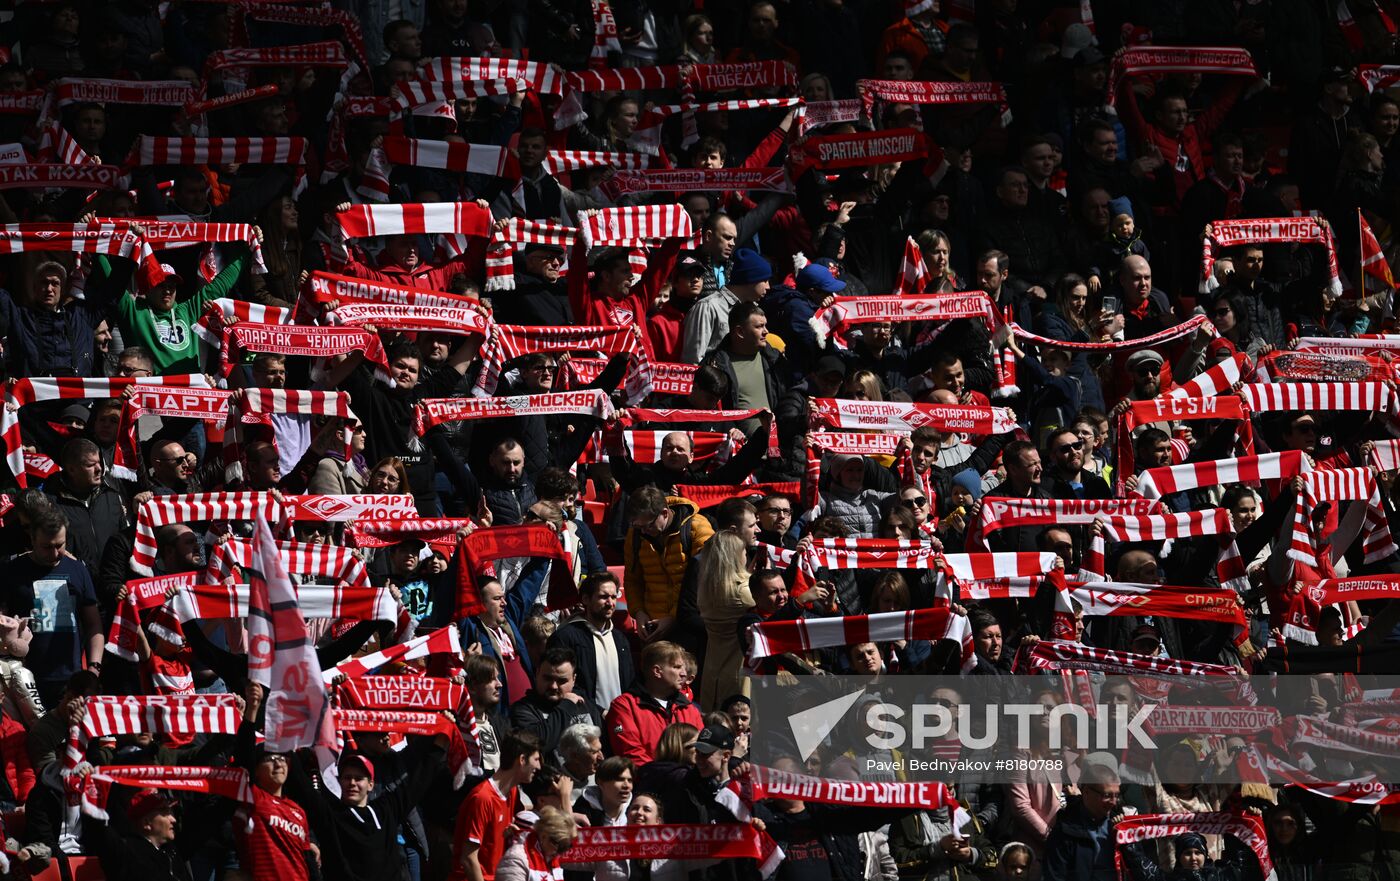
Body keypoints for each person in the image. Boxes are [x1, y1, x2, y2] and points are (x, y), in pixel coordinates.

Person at [451, 731, 544, 881]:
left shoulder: (512, 792)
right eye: (536, 759)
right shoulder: (482, 798)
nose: (539, 766)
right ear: (521, 759)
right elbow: (468, 858)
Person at [603, 641, 704, 762]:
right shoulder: (625, 706)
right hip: (649, 779)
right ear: (657, 671)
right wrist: (663, 775)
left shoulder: (689, 709)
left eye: (684, 668)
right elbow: (630, 754)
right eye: (677, 667)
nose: (683, 674)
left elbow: (701, 750)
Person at [547, 571, 634, 709]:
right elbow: (563, 685)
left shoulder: (620, 639)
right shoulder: (565, 637)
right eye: (603, 597)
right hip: (584, 721)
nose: (610, 603)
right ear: (586, 599)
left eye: (613, 597)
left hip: (620, 720)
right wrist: (597, 712)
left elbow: (630, 683)